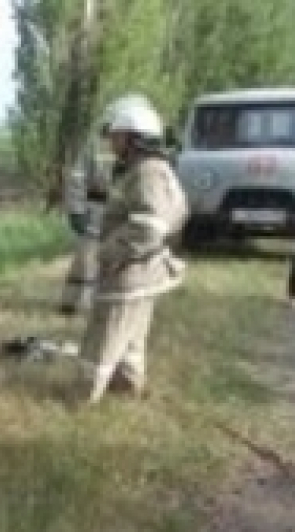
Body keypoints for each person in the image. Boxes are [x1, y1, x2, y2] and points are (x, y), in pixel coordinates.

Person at [74, 100, 189, 404]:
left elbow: (150, 227)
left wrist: (108, 253)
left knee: (103, 339)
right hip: (141, 270)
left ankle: (80, 400)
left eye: (116, 136)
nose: (111, 142)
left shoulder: (147, 172)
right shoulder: (148, 169)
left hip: (128, 272)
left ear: (133, 137)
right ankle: (126, 390)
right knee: (131, 340)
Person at [59, 94, 154, 315]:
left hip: (123, 213)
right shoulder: (96, 143)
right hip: (96, 211)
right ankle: (74, 304)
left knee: (118, 258)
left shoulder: (142, 147)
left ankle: (105, 302)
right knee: (87, 258)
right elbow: (77, 177)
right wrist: (76, 211)